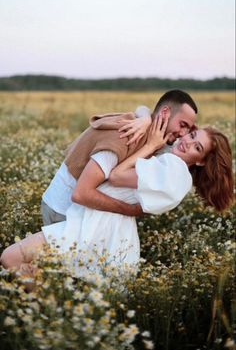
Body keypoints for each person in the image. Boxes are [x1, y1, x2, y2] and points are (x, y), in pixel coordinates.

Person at [1, 118, 233, 277]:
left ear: (201, 161)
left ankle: (47, 317)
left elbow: (116, 176)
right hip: (105, 230)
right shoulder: (176, 172)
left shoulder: (172, 168)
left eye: (197, 147)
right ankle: (51, 314)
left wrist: (150, 144)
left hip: (93, 229)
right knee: (37, 269)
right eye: (192, 134)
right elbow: (145, 110)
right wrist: (145, 120)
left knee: (10, 257)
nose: (187, 141)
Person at [41, 89, 198, 225]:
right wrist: (129, 211)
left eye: (189, 129)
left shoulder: (157, 138)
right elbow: (81, 194)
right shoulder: (124, 136)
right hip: (61, 211)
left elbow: (145, 110)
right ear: (164, 113)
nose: (183, 134)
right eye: (182, 125)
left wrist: (146, 117)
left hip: (76, 210)